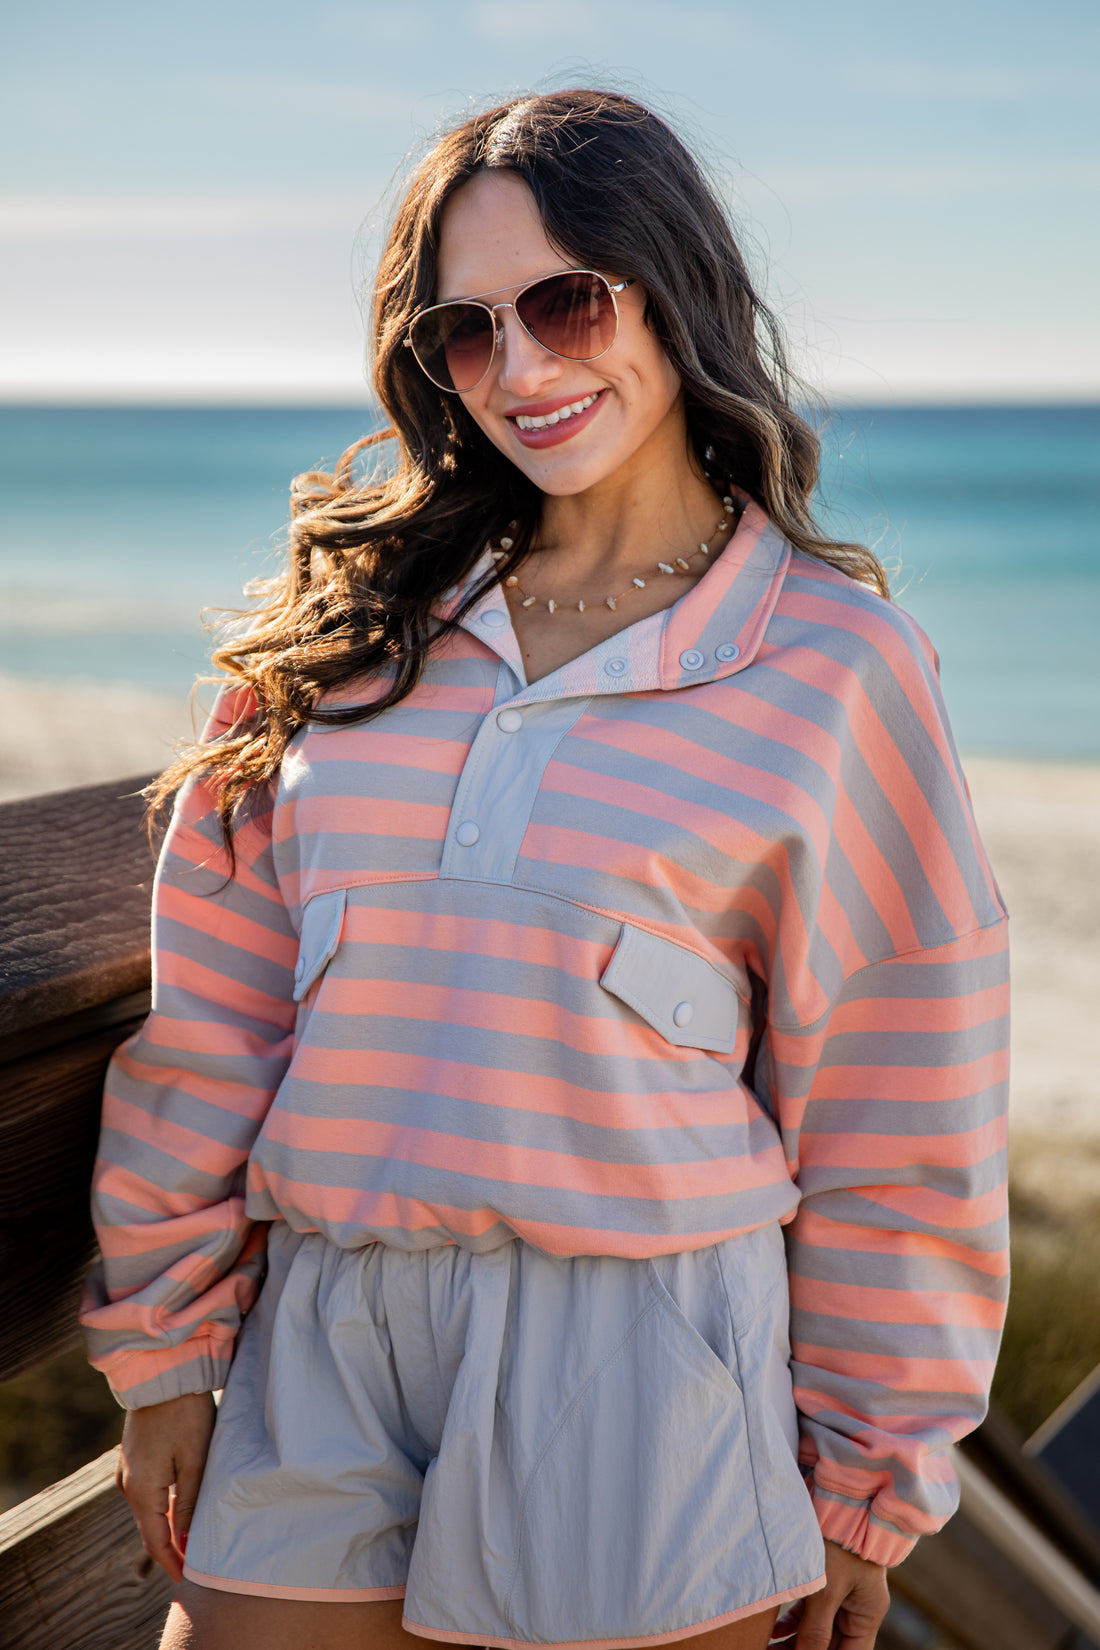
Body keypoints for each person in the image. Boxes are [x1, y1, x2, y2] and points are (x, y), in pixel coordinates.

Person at [80, 89, 1010, 1650]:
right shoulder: (349, 637)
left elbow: (900, 1096)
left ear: (673, 289)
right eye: (466, 330)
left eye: (569, 302)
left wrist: (870, 1470)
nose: (523, 369)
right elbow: (219, 1015)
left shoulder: (836, 665)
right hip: (324, 1317)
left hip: (640, 1344)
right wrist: (167, 1344)